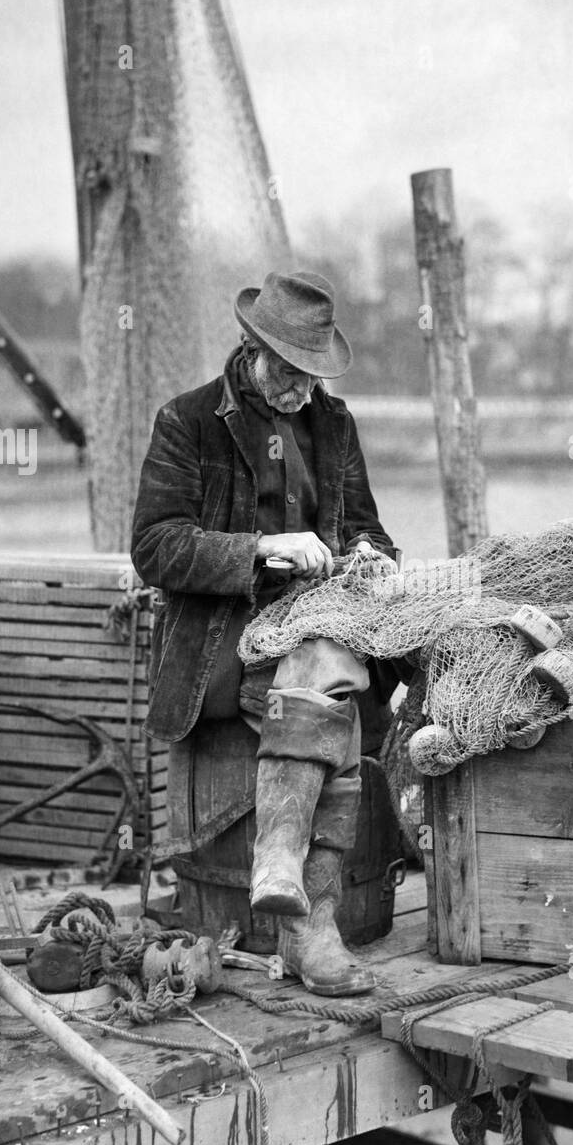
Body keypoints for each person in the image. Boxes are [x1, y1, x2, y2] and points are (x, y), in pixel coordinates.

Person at [131, 271, 398, 996]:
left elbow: (371, 531)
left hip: (321, 628)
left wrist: (371, 559)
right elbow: (155, 547)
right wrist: (261, 549)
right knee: (331, 704)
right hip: (225, 637)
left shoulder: (332, 423)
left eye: (310, 375)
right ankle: (310, 930)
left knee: (327, 666)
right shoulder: (186, 421)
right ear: (251, 350)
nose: (299, 389)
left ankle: (281, 864)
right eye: (286, 370)